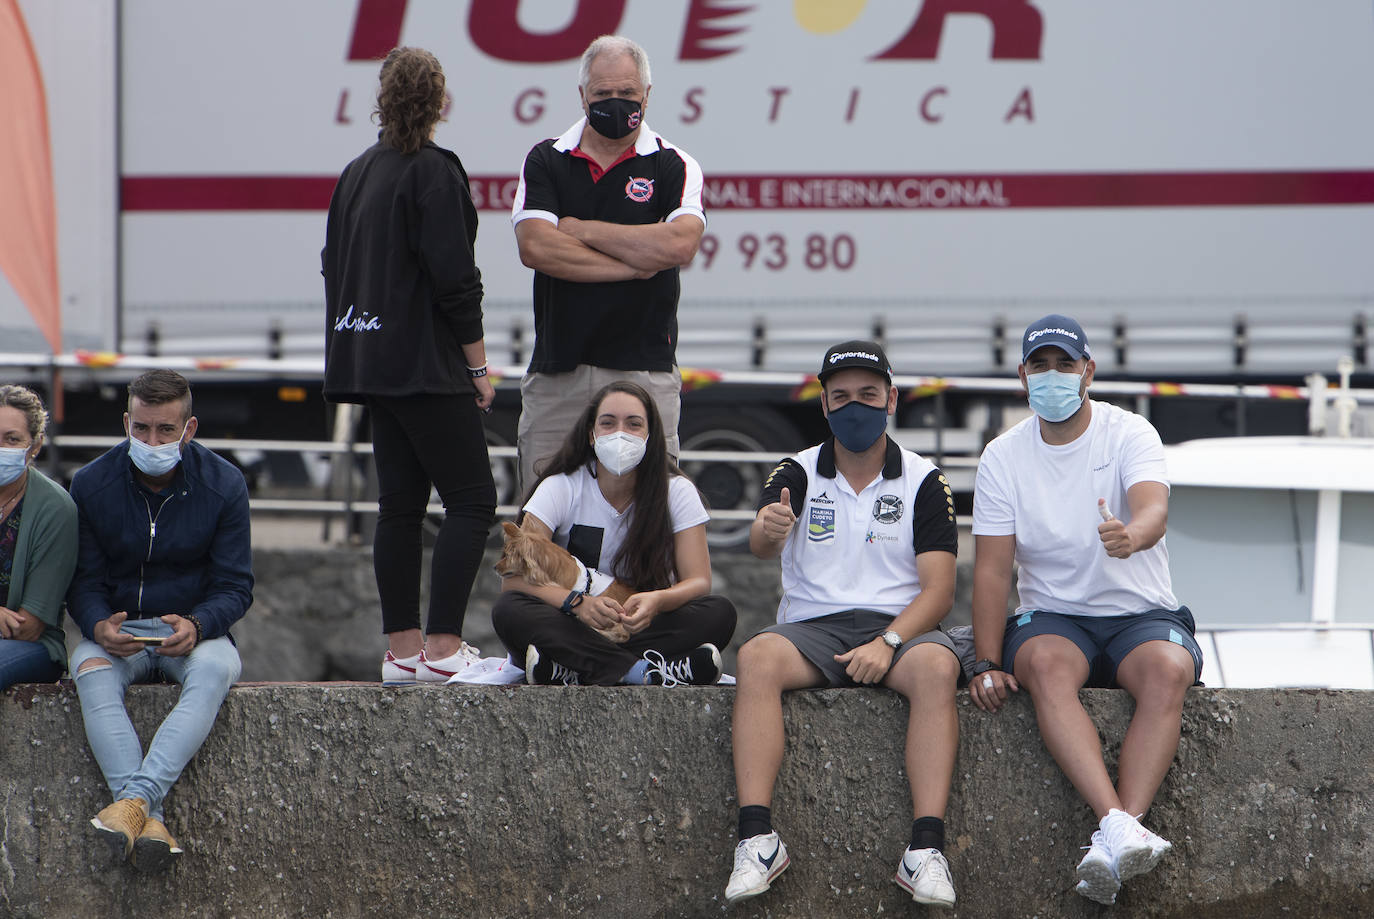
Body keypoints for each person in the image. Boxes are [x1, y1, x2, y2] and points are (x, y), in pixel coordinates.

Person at [969, 314, 1203, 906]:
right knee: (1045, 666)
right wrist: (987, 660)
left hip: (1141, 614)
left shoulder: (1130, 433)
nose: (1052, 377)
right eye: (1039, 366)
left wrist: (1134, 535)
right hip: (1056, 618)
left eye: (1064, 365)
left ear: (1088, 372)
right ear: (1022, 376)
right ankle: (1118, 824)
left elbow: (1154, 509)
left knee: (1169, 670)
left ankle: (1117, 830)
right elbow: (994, 569)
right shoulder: (1002, 455)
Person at [725, 341, 961, 908]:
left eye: (868, 395)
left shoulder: (926, 481)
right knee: (756, 658)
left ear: (892, 400)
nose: (856, 407)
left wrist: (889, 641)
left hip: (898, 628)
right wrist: (771, 527)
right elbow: (760, 544)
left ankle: (926, 850)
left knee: (936, 666)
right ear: (824, 406)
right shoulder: (797, 470)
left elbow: (940, 590)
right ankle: (757, 840)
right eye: (841, 397)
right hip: (813, 628)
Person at [322, 46, 498, 684]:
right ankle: (447, 650)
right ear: (439, 103)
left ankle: (402, 651)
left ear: (383, 98)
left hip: (371, 363)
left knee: (398, 506)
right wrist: (478, 368)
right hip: (427, 366)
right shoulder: (435, 172)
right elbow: (456, 280)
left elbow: (330, 264)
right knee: (474, 500)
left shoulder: (357, 172)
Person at [67, 370, 252, 872]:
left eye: (165, 430)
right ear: (126, 422)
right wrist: (97, 623)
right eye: (142, 428)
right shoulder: (90, 483)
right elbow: (83, 581)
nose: (152, 441)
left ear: (188, 429)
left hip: (192, 634)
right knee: (88, 667)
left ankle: (134, 801)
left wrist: (197, 623)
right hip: (118, 634)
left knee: (215, 669)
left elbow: (236, 586)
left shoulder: (225, 484)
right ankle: (151, 819)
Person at [511, 34, 705, 491]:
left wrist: (581, 229)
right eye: (602, 95)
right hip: (560, 370)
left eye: (627, 95)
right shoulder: (546, 159)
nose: (615, 104)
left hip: (646, 371)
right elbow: (537, 248)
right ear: (582, 95)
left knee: (649, 522)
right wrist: (635, 263)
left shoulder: (674, 165)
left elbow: (679, 246)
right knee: (540, 527)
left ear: (647, 95)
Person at [492, 381, 735, 686]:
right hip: (571, 621)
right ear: (592, 435)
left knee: (719, 613)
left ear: (650, 436)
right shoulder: (561, 486)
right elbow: (512, 579)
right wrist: (578, 604)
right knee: (509, 610)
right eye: (608, 423)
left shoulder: (677, 491)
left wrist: (657, 601)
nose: (620, 433)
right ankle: (648, 671)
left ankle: (573, 669)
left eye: (634, 424)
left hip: (638, 623)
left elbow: (699, 581)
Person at [0, 385, 77, 689]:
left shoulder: (55, 509)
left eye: (12, 439)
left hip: (31, 647)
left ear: (35, 445)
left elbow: (29, 627)